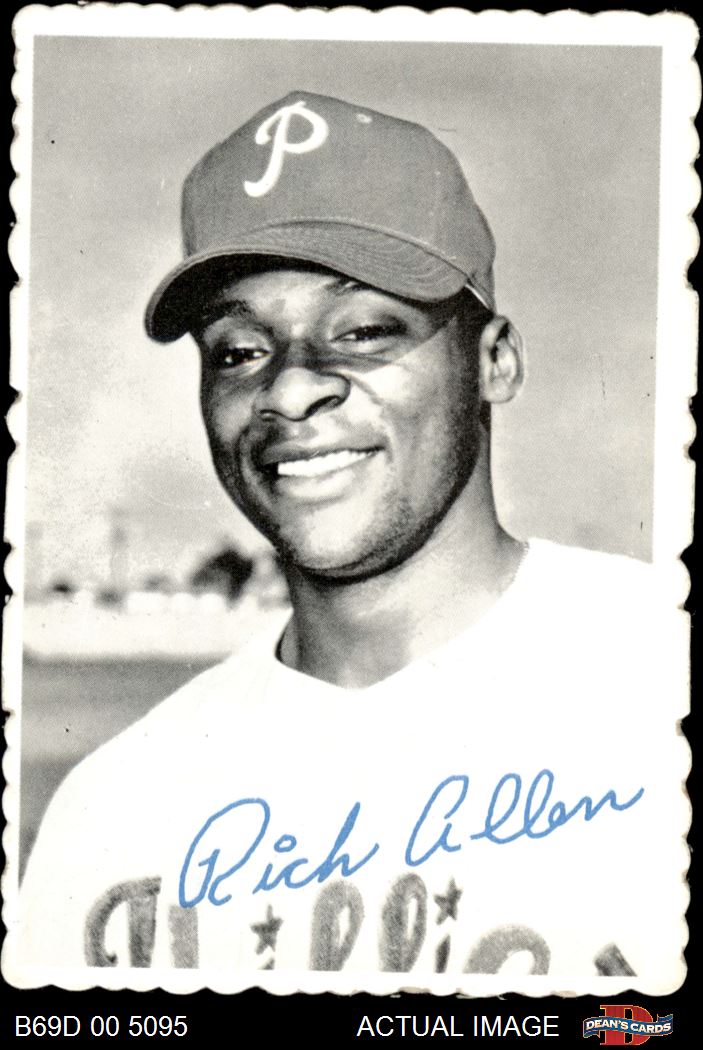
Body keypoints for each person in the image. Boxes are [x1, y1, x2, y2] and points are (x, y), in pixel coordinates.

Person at [9, 93, 684, 989]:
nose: (290, 391)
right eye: (238, 350)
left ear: (495, 360)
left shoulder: (659, 678)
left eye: (363, 331)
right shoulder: (109, 814)